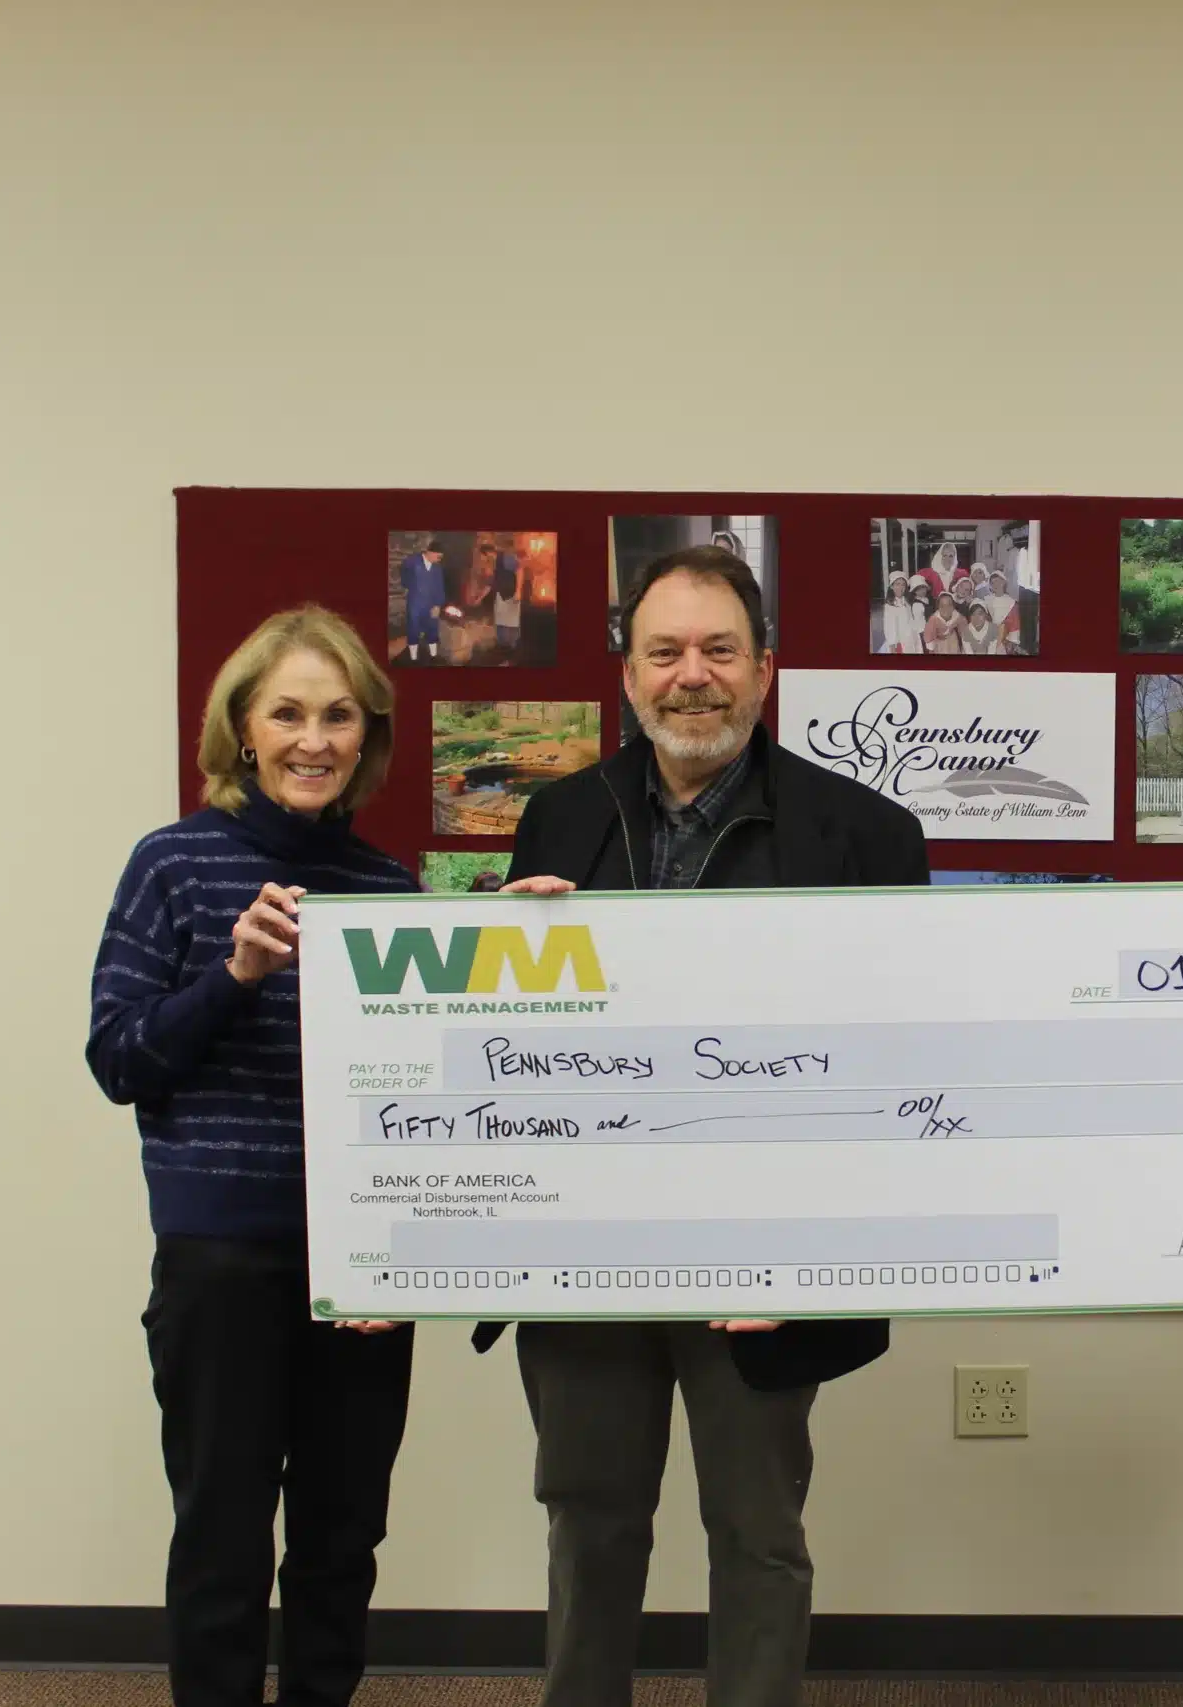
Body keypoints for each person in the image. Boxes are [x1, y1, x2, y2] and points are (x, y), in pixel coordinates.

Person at [478, 544, 928, 1707]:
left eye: (719, 650)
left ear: (765, 669)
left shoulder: (863, 836)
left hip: (766, 1259)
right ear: (625, 676)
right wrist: (494, 961)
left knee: (759, 1534)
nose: (694, 675)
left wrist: (820, 1255)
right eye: (666, 650)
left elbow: (902, 1070)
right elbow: (510, 1059)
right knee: (588, 1530)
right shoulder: (558, 819)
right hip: (585, 1258)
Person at [86, 605, 419, 1707]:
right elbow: (120, 1058)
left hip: (361, 1276)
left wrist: (505, 948)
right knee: (222, 1539)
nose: (313, 740)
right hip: (220, 1263)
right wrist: (231, 978)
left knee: (341, 1545)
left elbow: (428, 1102)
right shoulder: (172, 865)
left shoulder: (388, 891)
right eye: (287, 714)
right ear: (241, 727)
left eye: (338, 717)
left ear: (367, 738)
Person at [400, 532, 446, 662]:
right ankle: (413, 657)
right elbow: (403, 574)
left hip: (431, 603)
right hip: (415, 602)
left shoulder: (437, 568)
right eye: (438, 556)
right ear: (430, 552)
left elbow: (440, 587)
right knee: (413, 628)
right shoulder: (412, 561)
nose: (439, 559)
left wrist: (438, 605)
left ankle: (433, 656)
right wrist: (408, 584)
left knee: (432, 627)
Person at [492, 537, 524, 660]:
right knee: (500, 623)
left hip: (511, 595)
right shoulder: (497, 560)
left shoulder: (507, 558)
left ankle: (512, 655)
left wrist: (518, 591)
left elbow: (520, 570)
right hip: (501, 595)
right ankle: (502, 652)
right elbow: (493, 580)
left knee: (512, 626)